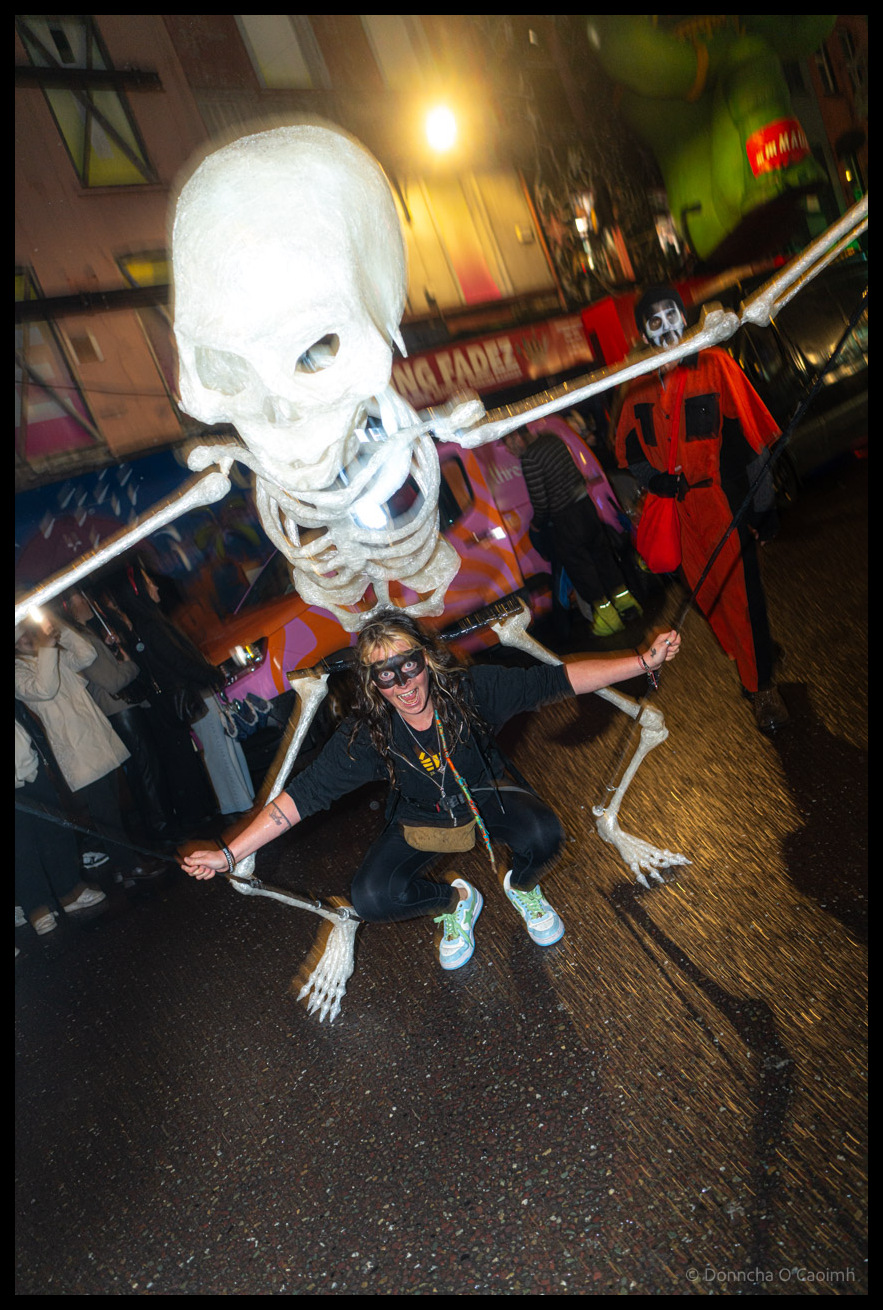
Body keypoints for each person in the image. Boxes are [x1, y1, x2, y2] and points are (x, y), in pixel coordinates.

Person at [180, 610, 681, 971]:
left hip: (487, 795)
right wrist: (229, 853)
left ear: (428, 661)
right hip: (423, 818)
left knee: (546, 835)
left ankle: (522, 887)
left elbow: (557, 681)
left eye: (410, 664)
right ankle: (454, 902)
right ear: (374, 684)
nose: (404, 683)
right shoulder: (366, 735)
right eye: (387, 675)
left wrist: (643, 660)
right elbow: (300, 797)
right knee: (372, 896)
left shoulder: (471, 690)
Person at [614, 284, 788, 733]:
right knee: (710, 599)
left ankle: (761, 686)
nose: (667, 327)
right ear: (645, 333)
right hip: (680, 515)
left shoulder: (715, 365)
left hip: (723, 506)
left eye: (671, 314)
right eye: (655, 321)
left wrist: (764, 506)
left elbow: (753, 443)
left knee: (744, 599)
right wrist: (656, 480)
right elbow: (632, 453)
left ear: (683, 315)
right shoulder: (636, 387)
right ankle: (757, 652)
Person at [14, 612, 161, 888]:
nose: (25, 638)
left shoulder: (50, 653)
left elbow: (86, 655)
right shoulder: (19, 671)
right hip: (75, 747)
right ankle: (129, 866)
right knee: (105, 814)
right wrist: (47, 647)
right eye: (19, 636)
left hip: (95, 736)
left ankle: (124, 864)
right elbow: (44, 689)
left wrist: (58, 627)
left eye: (26, 632)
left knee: (112, 808)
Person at [98, 562, 244, 832]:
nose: (155, 586)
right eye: (147, 582)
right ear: (137, 590)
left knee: (211, 751)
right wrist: (210, 676)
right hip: (181, 695)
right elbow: (175, 660)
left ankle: (228, 806)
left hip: (179, 695)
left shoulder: (147, 621)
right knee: (214, 750)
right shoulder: (148, 624)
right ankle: (232, 807)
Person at [503, 425, 643, 638]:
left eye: (508, 445)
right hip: (586, 507)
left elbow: (540, 502)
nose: (511, 452)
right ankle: (628, 605)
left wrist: (536, 524)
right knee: (603, 556)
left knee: (582, 568)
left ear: (515, 437)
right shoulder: (553, 439)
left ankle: (609, 620)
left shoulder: (530, 458)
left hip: (566, 517)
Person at [59, 590, 178, 840]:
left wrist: (113, 648)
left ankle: (159, 825)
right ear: (72, 606)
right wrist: (130, 665)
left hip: (120, 708)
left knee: (141, 768)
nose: (88, 600)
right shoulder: (80, 640)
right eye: (82, 598)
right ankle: (162, 826)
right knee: (145, 767)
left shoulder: (89, 634)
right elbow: (112, 681)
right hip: (119, 708)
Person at [15, 711, 106, 936]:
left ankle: (70, 891)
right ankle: (38, 908)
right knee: (20, 847)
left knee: (54, 830)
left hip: (30, 766)